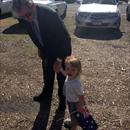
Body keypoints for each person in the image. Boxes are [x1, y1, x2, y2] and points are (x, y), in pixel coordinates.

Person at [12, 0, 71, 110]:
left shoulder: (50, 15)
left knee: (62, 78)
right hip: (46, 51)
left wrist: (59, 60)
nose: (26, 19)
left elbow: (66, 40)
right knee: (47, 73)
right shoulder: (25, 17)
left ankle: (62, 102)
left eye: (28, 15)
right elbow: (36, 33)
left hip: (61, 51)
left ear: (32, 5)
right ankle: (46, 95)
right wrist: (40, 48)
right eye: (22, 17)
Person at [60, 56, 88, 130]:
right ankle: (74, 121)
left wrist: (80, 107)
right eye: (68, 69)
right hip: (70, 101)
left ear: (78, 71)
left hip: (77, 103)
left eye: (73, 70)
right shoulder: (69, 76)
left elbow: (81, 96)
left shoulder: (76, 83)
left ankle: (74, 126)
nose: (69, 71)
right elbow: (66, 74)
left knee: (80, 117)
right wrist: (60, 69)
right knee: (76, 116)